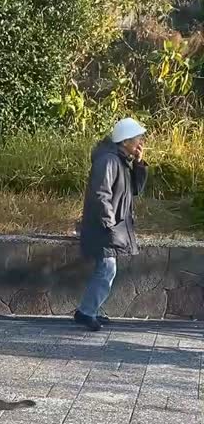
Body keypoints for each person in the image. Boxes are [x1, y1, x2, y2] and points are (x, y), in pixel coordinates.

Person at [75, 117, 148, 331]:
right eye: (137, 139)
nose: (140, 142)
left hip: (111, 227)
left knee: (107, 268)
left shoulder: (122, 160)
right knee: (107, 267)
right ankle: (86, 312)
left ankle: (89, 310)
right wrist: (109, 223)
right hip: (103, 226)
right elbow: (100, 195)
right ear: (125, 141)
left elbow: (136, 190)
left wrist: (139, 163)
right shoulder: (108, 160)